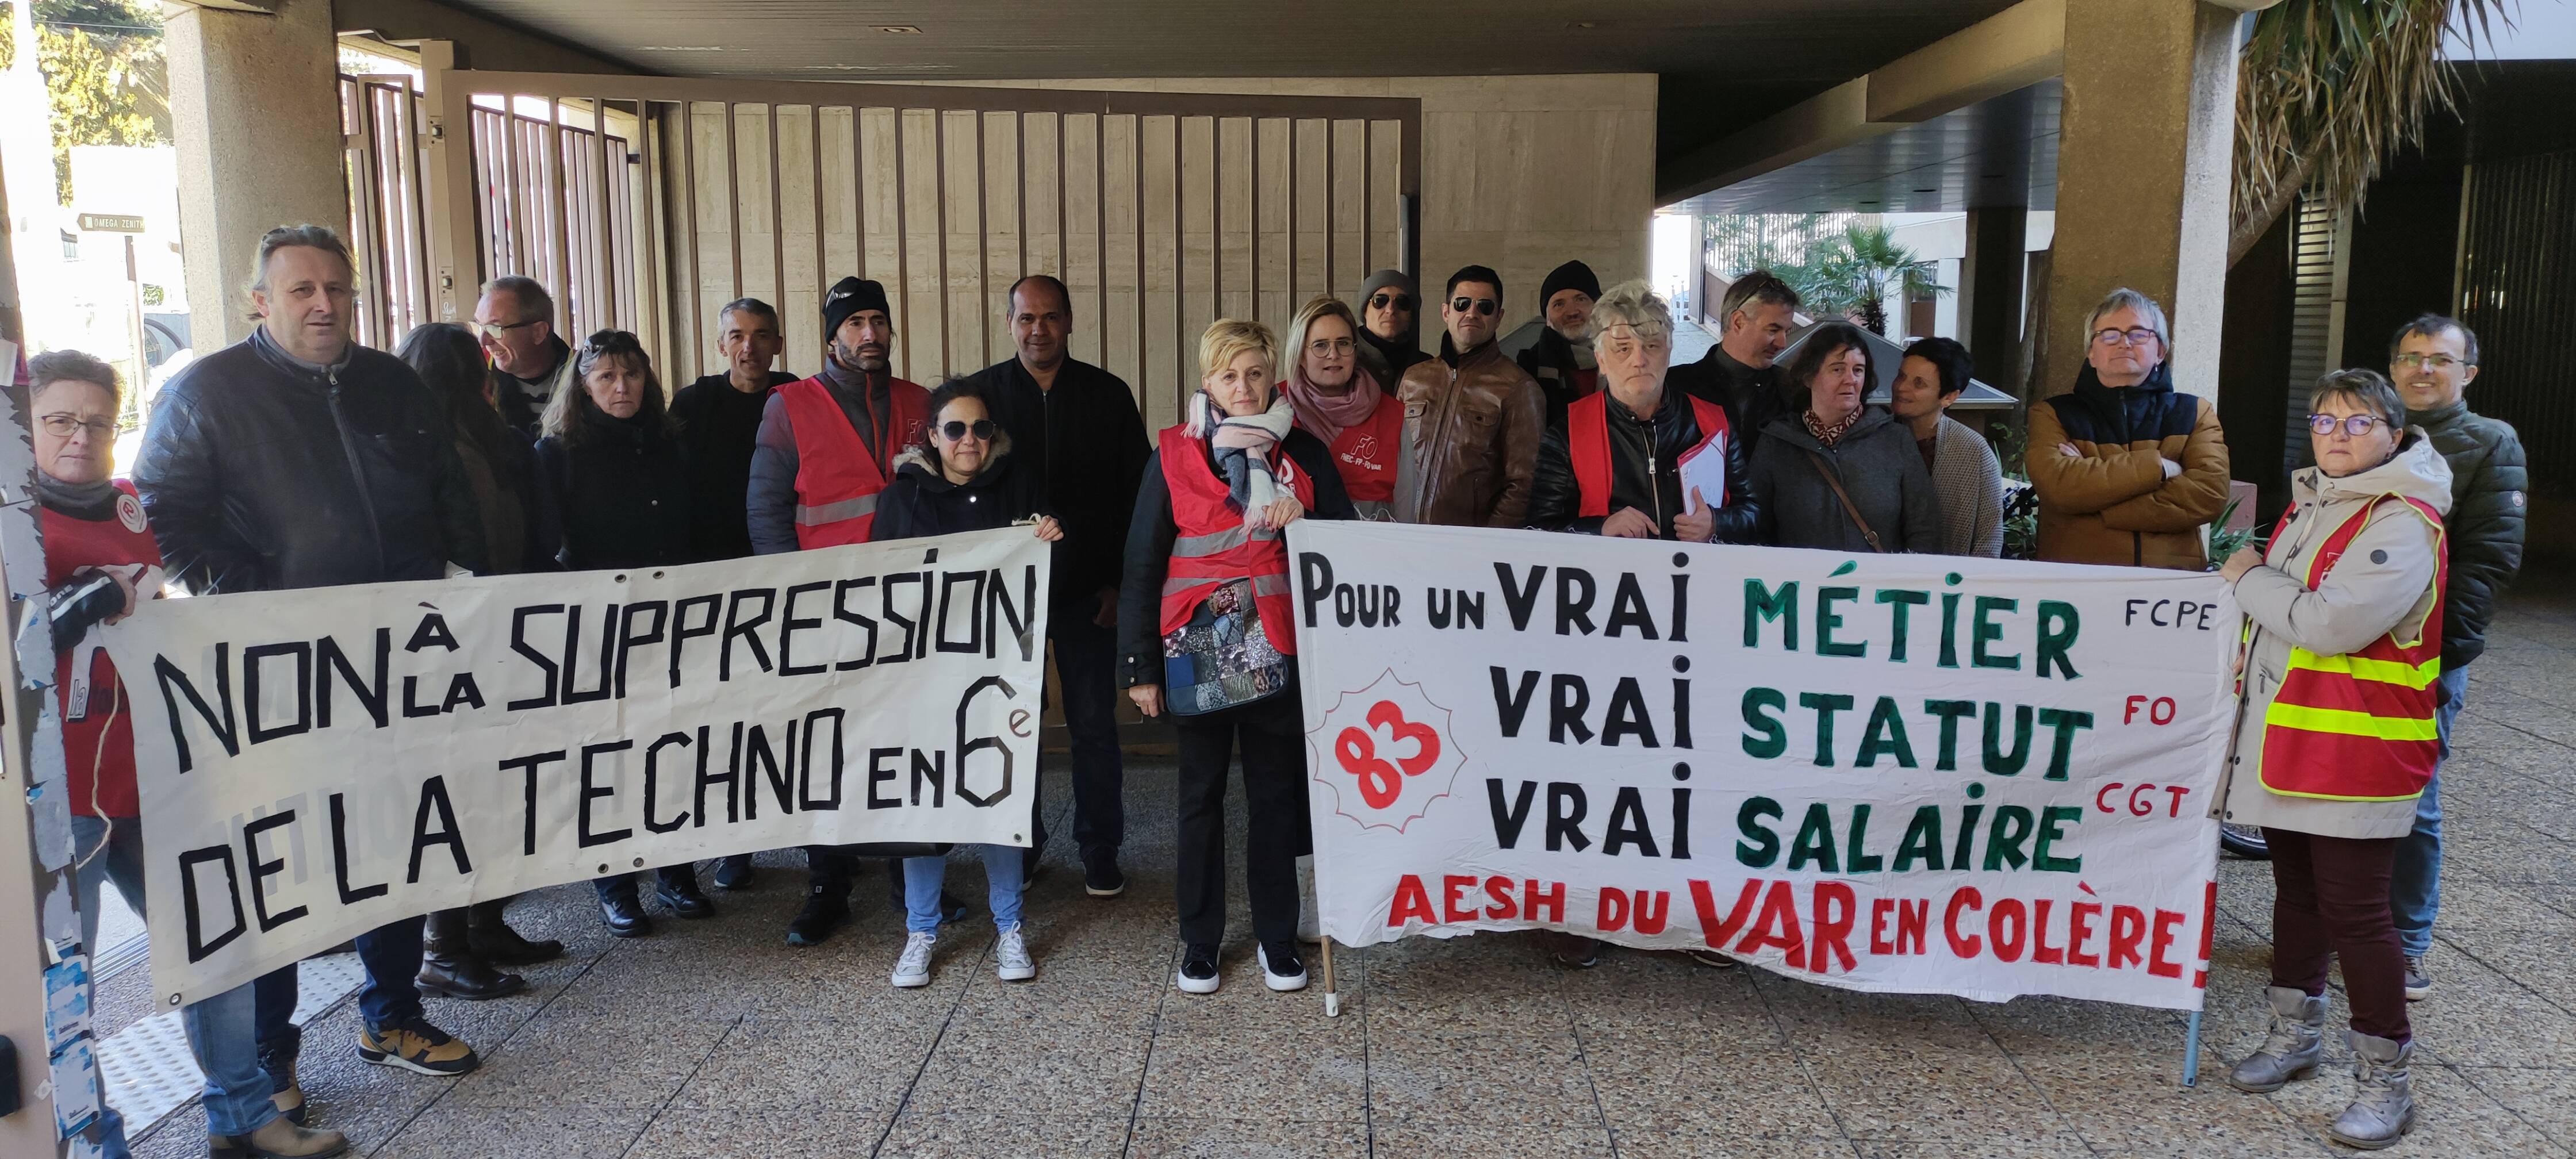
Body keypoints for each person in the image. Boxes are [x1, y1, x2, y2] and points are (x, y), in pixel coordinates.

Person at [135, 224, 486, 1099]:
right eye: (301, 290)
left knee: (395, 843)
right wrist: (252, 597)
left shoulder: (391, 384)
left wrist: (453, 583)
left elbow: (445, 488)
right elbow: (166, 514)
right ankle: (271, 1053)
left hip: (398, 661)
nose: (324, 304)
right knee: (286, 863)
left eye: (337, 288)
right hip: (278, 671)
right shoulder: (208, 393)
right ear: (262, 300)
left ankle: (393, 1012)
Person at [36, 352, 350, 1159]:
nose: (82, 435)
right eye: (60, 419)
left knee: (220, 940)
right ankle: (94, 1144)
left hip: (156, 772)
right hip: (60, 795)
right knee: (67, 989)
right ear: (25, 428)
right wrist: (94, 599)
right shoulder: (12, 520)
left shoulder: (130, 502)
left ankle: (244, 1118)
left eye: (98, 421)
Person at [2218, 369, 2450, 1150]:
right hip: (2291, 742)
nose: (2338, 434)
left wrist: (2247, 575)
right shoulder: (2314, 500)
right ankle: (2296, 1039)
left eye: (2357, 422)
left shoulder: (2403, 521)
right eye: (2325, 420)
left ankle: (2388, 1085)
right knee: (2300, 897)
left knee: (2359, 915)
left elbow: (2328, 624)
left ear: (2394, 431)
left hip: (2359, 750)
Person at [1120, 318, 1355, 995]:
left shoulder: (1303, 454)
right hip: (1193, 651)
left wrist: (1304, 521)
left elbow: (1348, 551)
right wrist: (1139, 670)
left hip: (1279, 650)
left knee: (1275, 800)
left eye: (1255, 373)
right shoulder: (1170, 454)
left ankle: (1278, 940)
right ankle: (1200, 942)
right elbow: (1141, 563)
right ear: (1207, 383)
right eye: (1229, 376)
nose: (1244, 387)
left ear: (1271, 376)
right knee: (1198, 799)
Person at [747, 275, 944, 946]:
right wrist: (790, 603)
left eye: (879, 321)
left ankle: (907, 879)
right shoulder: (790, 406)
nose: (870, 334)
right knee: (827, 750)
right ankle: (828, 884)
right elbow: (766, 510)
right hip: (826, 609)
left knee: (904, 742)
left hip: (911, 609)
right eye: (855, 322)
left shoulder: (923, 403)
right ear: (832, 335)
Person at [870, 380, 1063, 987]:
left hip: (998, 677)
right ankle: (920, 932)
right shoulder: (900, 499)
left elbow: (1045, 584)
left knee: (996, 798)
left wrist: (1053, 541)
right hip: (923, 683)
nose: (969, 440)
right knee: (924, 806)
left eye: (980, 428)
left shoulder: (1019, 486)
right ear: (933, 436)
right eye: (955, 429)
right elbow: (879, 588)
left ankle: (1010, 928)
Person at [964, 274, 1151, 895]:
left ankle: (1101, 846)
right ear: (1009, 323)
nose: (1037, 329)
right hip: (1006, 602)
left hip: (1088, 593)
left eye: (1049, 317)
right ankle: (1023, 845)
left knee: (1095, 722)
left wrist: (1118, 586)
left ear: (1070, 322)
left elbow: (1138, 500)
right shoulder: (981, 400)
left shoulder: (1108, 395)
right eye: (1025, 318)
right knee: (1015, 723)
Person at [393, 323, 565, 995]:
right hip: (484, 637)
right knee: (474, 791)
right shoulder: (481, 442)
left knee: (482, 789)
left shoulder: (430, 445)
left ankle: (475, 928)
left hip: (468, 639)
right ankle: (451, 940)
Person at [530, 329, 710, 936]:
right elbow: (548, 547)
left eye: (630, 374)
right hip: (599, 631)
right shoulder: (558, 452)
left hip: (671, 623)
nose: (621, 386)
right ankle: (615, 884)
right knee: (609, 759)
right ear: (583, 385)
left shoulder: (667, 442)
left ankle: (677, 873)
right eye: (606, 376)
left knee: (673, 750)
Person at [2384, 315, 2525, 1001]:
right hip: (2344, 644)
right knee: (2334, 796)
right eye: (2410, 358)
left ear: (2466, 373)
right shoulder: (2367, 431)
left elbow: (2487, 560)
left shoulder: (2490, 443)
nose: (2421, 370)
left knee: (2414, 800)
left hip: (2429, 654)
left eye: (2439, 359)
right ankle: (2335, 933)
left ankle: (2406, 946)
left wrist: (2442, 657)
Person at [669, 297, 799, 891]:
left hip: (784, 580)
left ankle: (811, 834)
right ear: (721, 344)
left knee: (786, 715)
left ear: (778, 344)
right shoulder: (693, 405)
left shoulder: (798, 397)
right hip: (713, 587)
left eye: (761, 335)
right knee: (724, 723)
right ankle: (736, 843)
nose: (749, 347)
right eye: (737, 336)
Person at [1529, 281, 1760, 544]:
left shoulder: (1713, 423)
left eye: (1652, 346)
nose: (1639, 360)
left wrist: (1717, 524)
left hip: (1693, 580)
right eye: (1623, 348)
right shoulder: (1568, 435)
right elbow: (1538, 530)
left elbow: (1751, 513)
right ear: (1601, 360)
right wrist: (1599, 529)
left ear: (1669, 350)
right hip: (1610, 582)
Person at [2025, 288, 2229, 569]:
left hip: (2168, 589)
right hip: (2077, 581)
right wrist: (2158, 468)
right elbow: (2059, 489)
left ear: (2160, 351)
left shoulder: (2194, 413)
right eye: (2109, 334)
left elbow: (2209, 495)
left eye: (2138, 333)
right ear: (2091, 353)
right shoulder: (2053, 414)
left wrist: (2097, 503)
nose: (2124, 343)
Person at [1746, 321, 1938, 553]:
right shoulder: (1776, 442)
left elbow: (1925, 529)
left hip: (1875, 587)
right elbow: (1755, 528)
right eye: (1838, 369)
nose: (1851, 379)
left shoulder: (1895, 439)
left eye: (1858, 370)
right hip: (1803, 586)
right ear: (1809, 377)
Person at [1394, 264, 1545, 527]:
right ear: (1446, 312)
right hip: (1403, 536)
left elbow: (1525, 483)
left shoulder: (1518, 388)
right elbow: (1390, 457)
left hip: (1467, 550)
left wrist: (1484, 545)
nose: (1472, 313)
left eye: (1485, 307)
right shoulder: (1413, 379)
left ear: (1499, 317)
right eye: (1462, 304)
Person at [1280, 295, 1403, 520]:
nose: (1334, 355)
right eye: (1320, 345)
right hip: (1283, 551)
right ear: (1299, 354)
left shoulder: (1392, 414)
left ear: (1355, 351)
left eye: (1343, 343)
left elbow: (1407, 506)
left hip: (1369, 549)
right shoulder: (1272, 406)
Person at [1668, 269, 1801, 462]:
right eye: (1773, 330)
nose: (1782, 343)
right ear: (1738, 322)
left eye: (1786, 332)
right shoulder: (1675, 387)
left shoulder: (1791, 389)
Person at [1891, 336, 2004, 557]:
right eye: (1901, 376)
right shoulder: (1873, 438)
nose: (1901, 388)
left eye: (1918, 383)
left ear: (1949, 397)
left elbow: (1989, 540)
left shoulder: (1975, 452)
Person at [473, 275, 577, 435]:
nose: (484, 341)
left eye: (495, 328)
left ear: (538, 332)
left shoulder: (586, 377)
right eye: (481, 327)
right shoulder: (476, 377)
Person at [1518, 259, 1604, 428]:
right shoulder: (1526, 370)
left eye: (1580, 299)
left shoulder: (1622, 360)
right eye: (1559, 304)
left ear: (1597, 307)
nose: (1572, 312)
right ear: (1547, 318)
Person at [1354, 268, 1429, 382]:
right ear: (1365, 310)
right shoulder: (1347, 361)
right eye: (1380, 300)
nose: (1391, 309)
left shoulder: (1427, 368)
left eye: (1402, 302)